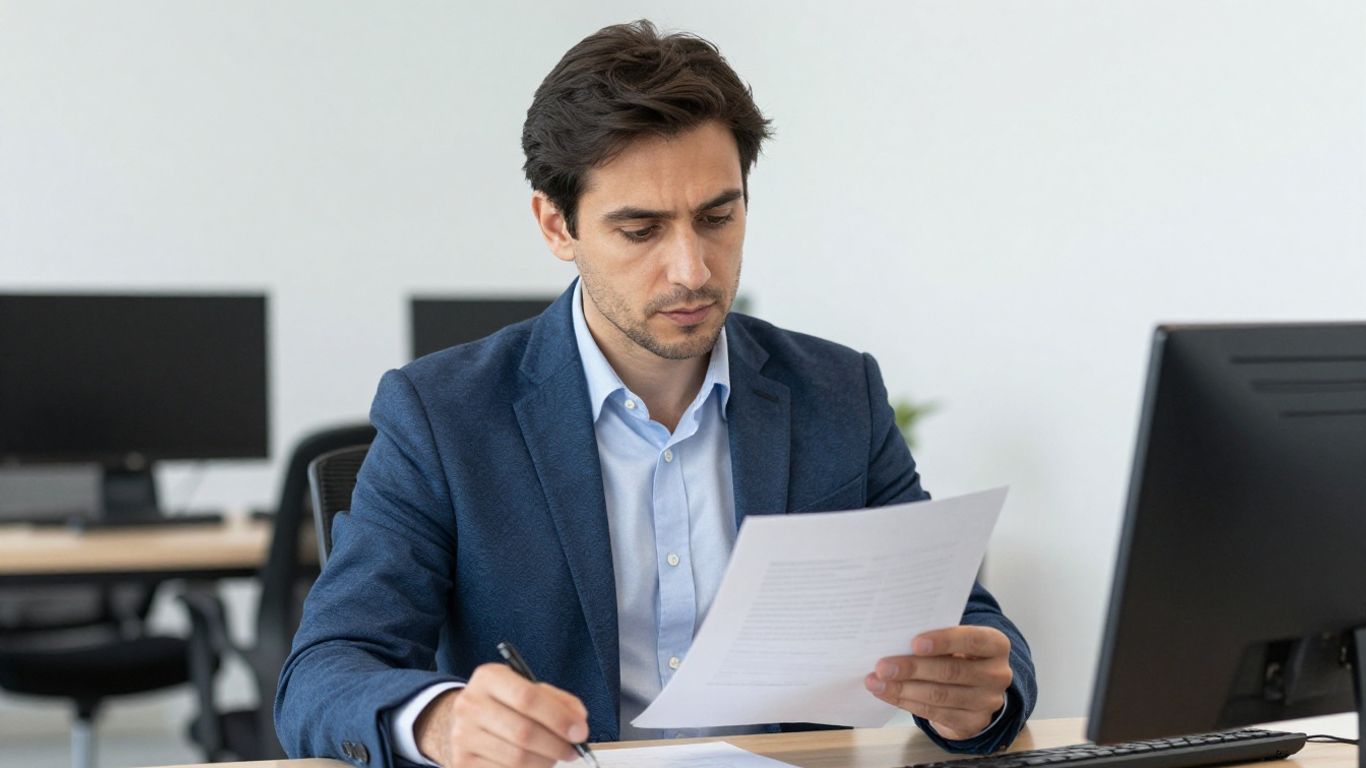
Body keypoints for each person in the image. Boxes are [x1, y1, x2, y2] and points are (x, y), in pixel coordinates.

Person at [276, 20, 1037, 768]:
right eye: (640, 231)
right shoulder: (442, 415)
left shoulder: (837, 394)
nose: (692, 270)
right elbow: (325, 670)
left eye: (718, 217)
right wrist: (442, 723)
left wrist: (977, 698)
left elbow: (964, 624)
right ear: (556, 224)